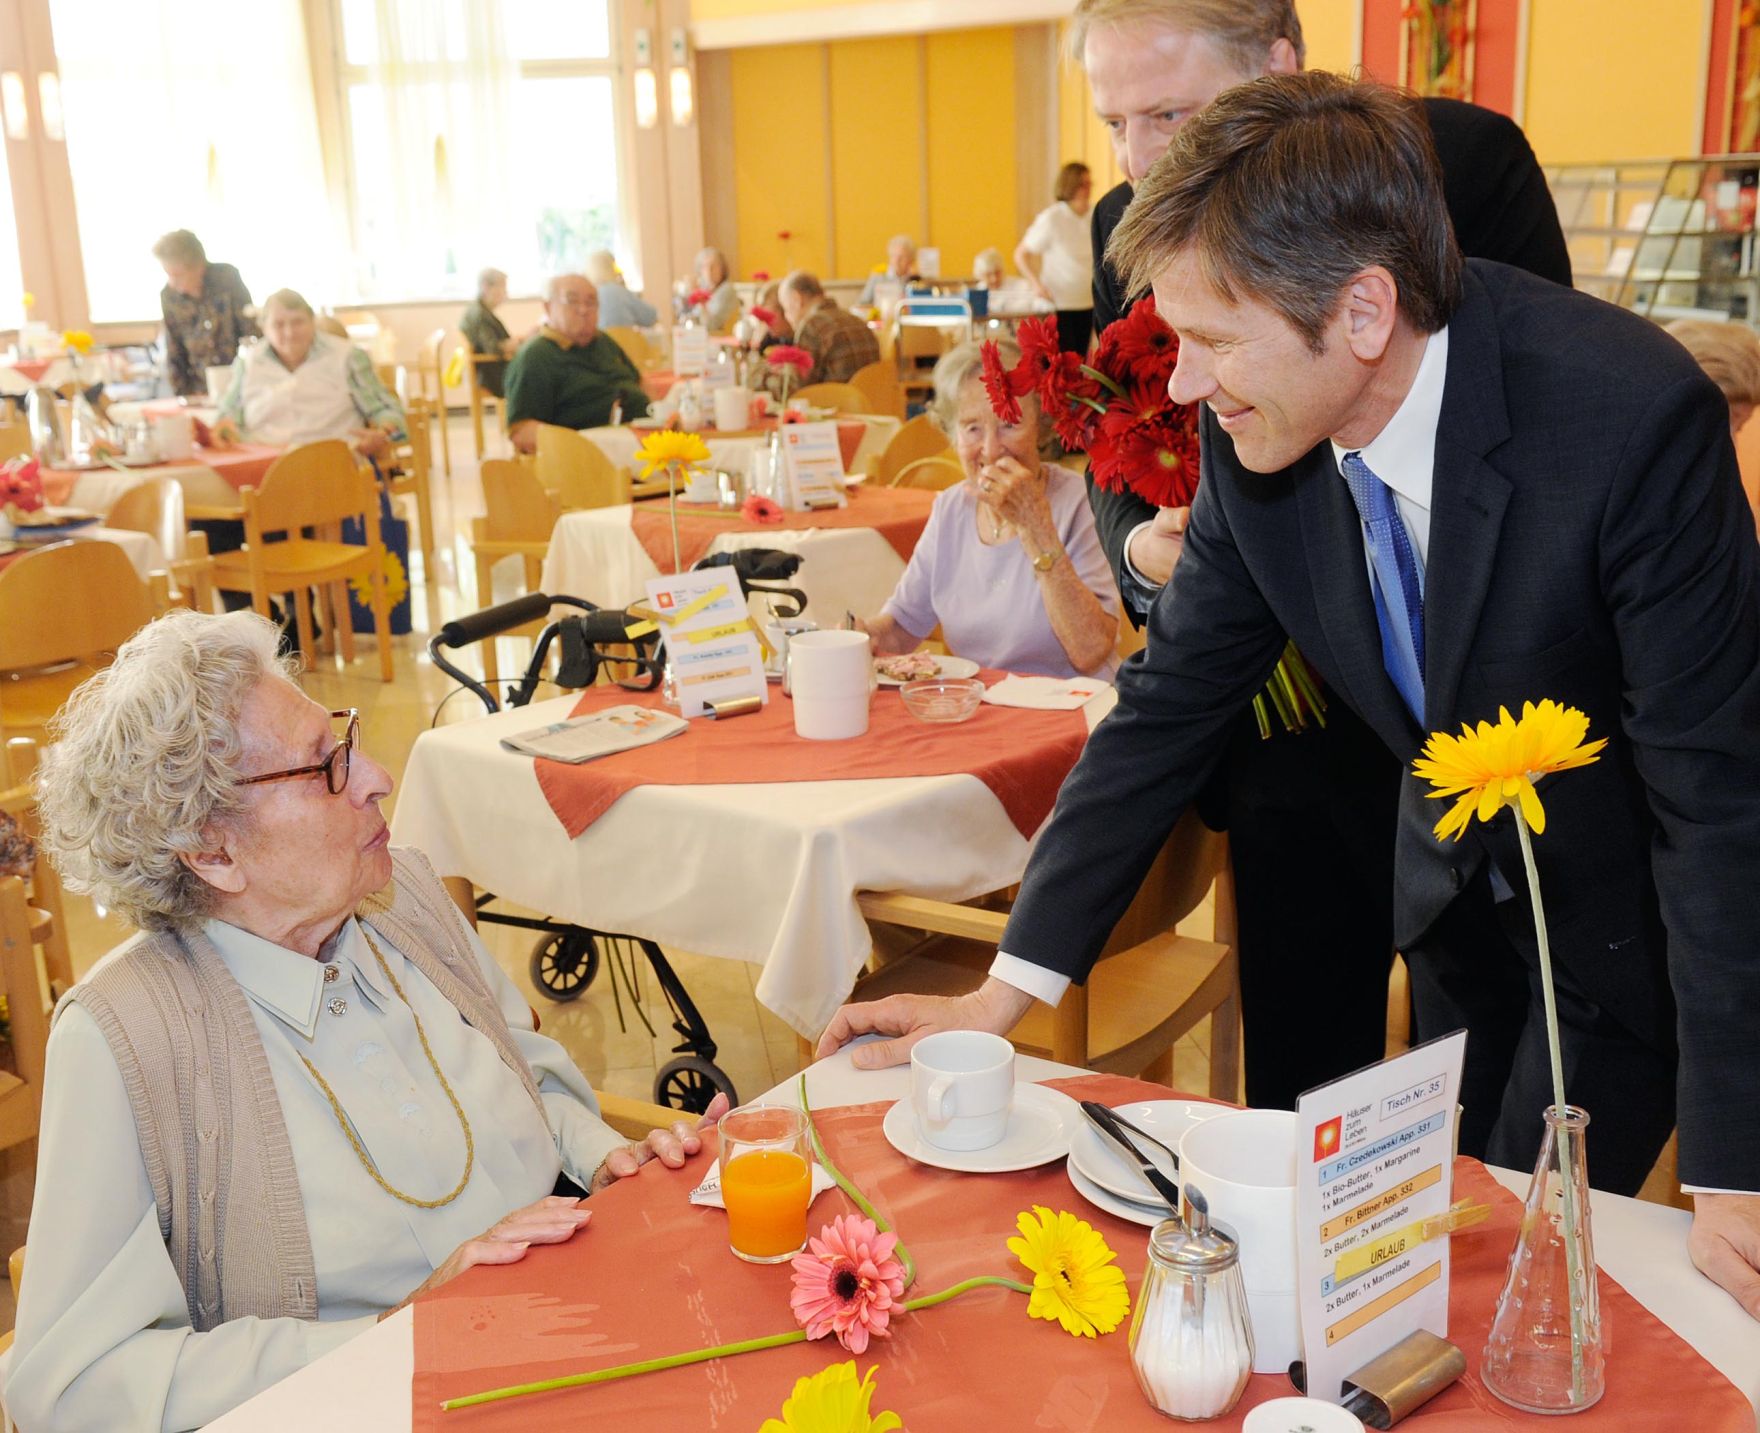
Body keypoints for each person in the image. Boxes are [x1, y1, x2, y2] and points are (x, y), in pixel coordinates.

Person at [820, 73, 1760, 1315]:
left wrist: (1738, 1160)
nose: (1182, 390)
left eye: (1210, 341)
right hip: (1446, 909)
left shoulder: (1628, 421)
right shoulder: (1254, 432)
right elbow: (1165, 706)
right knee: (1437, 1253)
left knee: (1534, 1280)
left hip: (1622, 918)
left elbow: (1716, 796)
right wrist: (1010, 983)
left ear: (1362, 310)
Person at [4, 610, 725, 1427]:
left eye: (344, 740)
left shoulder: (404, 892)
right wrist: (395, 1334)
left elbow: (534, 1077)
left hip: (582, 1321)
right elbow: (72, 1381)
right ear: (212, 853)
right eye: (325, 767)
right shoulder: (124, 1036)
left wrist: (605, 1159)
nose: (378, 775)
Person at [1070, 0, 1575, 1113]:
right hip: (1273, 692)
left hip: (1465, 698)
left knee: (1486, 1034)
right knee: (1299, 1042)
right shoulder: (1130, 220)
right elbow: (1125, 433)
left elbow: (1523, 426)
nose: (1142, 157)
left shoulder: (1462, 164)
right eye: (1114, 122)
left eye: (1169, 113)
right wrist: (1151, 557)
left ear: (1276, 71)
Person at [861, 339, 1119, 680]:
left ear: (1041, 427)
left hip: (1074, 713)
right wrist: (862, 637)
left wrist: (1034, 526)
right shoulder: (951, 509)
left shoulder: (1080, 503)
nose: (991, 449)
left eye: (1009, 424)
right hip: (981, 712)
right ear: (952, 436)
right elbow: (902, 629)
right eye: (972, 428)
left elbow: (1090, 652)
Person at [218, 288, 405, 460]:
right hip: (265, 467)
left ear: (312, 322)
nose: (289, 333)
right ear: (264, 328)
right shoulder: (249, 362)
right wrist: (225, 429)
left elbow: (387, 410)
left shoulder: (347, 357)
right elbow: (227, 414)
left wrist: (383, 434)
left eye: (297, 322)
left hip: (334, 465)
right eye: (278, 324)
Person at [503, 274, 651, 454]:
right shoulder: (535, 356)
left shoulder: (604, 342)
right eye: (572, 301)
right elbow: (522, 432)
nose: (583, 310)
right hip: (586, 460)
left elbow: (640, 383)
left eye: (591, 302)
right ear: (548, 307)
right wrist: (584, 446)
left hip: (638, 443)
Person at [153, 229, 259, 399]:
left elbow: (250, 331)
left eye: (177, 275)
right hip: (199, 389)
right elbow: (174, 351)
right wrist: (184, 396)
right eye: (168, 275)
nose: (172, 282)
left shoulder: (226, 278)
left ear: (198, 267)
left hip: (241, 383)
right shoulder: (169, 296)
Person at [1015, 162, 1096, 353]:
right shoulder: (1052, 218)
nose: (1088, 188)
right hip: (1059, 302)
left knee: (1081, 359)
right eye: (1083, 184)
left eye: (1089, 183)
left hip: (1087, 301)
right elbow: (1021, 254)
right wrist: (1036, 284)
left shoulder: (1095, 214)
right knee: (1062, 361)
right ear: (1071, 185)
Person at [776, 271, 880, 389]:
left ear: (796, 299)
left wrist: (760, 376)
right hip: (871, 404)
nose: (786, 316)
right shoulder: (858, 322)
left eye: (785, 308)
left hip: (837, 404)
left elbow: (795, 388)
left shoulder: (811, 327)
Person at [459, 266, 519, 399]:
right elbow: (493, 348)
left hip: (491, 371)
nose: (506, 293)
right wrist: (519, 342)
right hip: (493, 376)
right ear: (486, 287)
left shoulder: (479, 311)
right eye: (503, 287)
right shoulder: (480, 315)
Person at [585, 249, 658, 329]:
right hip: (626, 340)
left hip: (598, 340)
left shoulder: (588, 295)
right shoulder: (620, 291)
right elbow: (651, 318)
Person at [689, 247, 740, 333]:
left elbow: (712, 326)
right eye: (704, 266)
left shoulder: (726, 290)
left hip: (721, 338)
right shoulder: (704, 290)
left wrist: (702, 304)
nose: (709, 271)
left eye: (713, 266)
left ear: (722, 269)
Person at [859, 235, 919, 308]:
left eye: (902, 257)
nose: (896, 261)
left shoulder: (914, 281)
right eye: (893, 256)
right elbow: (862, 303)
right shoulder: (878, 277)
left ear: (911, 260)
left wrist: (914, 279)